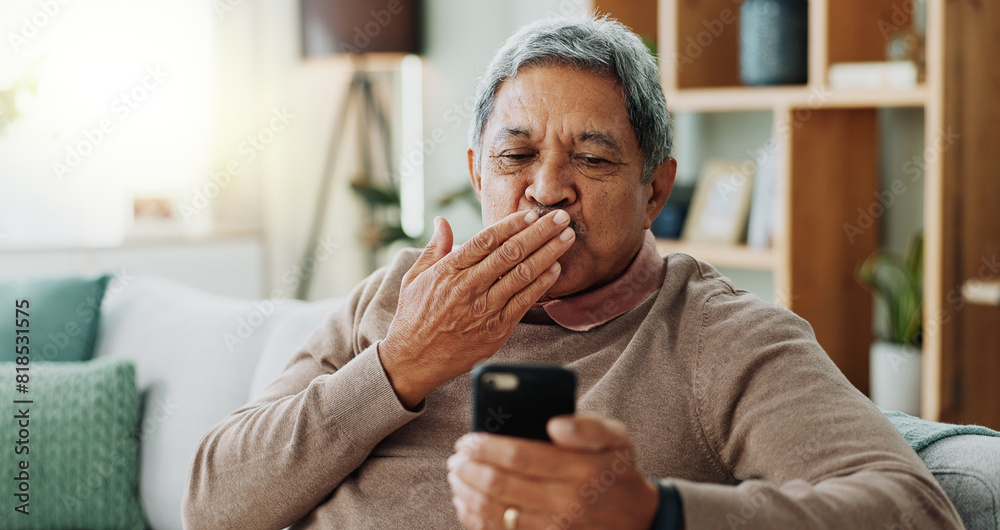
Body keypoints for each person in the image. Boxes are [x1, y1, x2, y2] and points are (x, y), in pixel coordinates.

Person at [184, 16, 963, 529]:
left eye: (591, 158)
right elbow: (213, 502)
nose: (547, 187)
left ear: (655, 188)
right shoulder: (394, 295)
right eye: (515, 156)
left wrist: (652, 513)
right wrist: (399, 367)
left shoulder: (719, 334)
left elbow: (915, 511)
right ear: (476, 173)